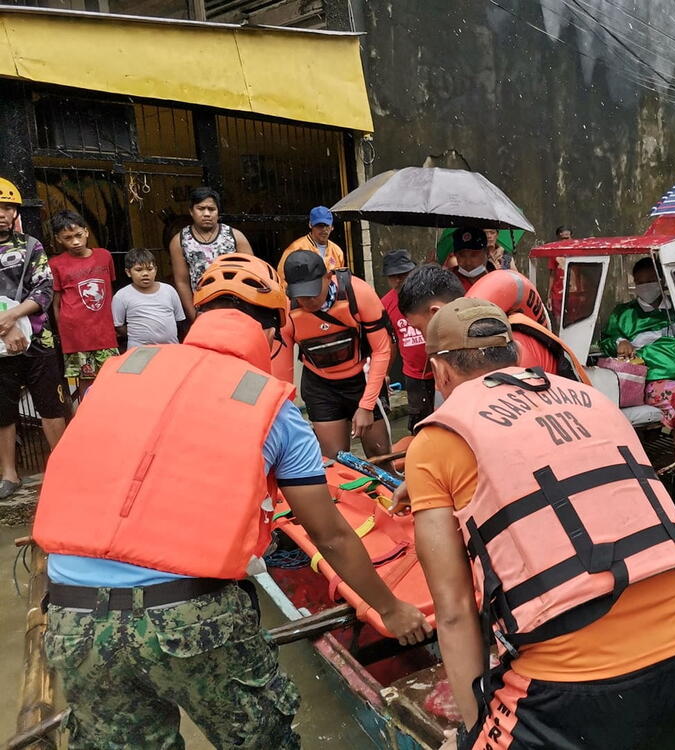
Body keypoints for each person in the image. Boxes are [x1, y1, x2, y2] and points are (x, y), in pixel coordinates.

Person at [33, 253, 431, 749]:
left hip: (70, 617)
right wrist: (391, 609)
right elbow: (328, 534)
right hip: (188, 619)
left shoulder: (116, 374)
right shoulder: (273, 407)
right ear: (271, 335)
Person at [407, 298, 675, 750]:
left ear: (440, 370)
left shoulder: (437, 441)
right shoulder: (594, 400)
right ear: (514, 354)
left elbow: (453, 612)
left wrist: (476, 732)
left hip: (571, 688)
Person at [283, 250, 393, 458]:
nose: (307, 301)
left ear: (328, 277)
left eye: (313, 292)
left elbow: (382, 350)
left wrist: (367, 405)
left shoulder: (358, 293)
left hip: (361, 378)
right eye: (301, 295)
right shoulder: (286, 310)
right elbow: (282, 375)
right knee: (336, 461)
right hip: (320, 384)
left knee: (380, 456)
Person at [398, 264, 586, 382]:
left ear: (436, 313)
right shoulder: (491, 338)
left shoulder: (507, 347)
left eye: (420, 329)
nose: (424, 341)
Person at [0, 178, 67, 499]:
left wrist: (13, 316)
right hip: (0, 346)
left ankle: (63, 466)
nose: (2, 213)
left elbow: (43, 288)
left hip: (40, 339)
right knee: (4, 410)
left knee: (51, 404)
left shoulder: (31, 245)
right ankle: (9, 474)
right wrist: (6, 325)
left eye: (8, 207)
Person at [599, 256, 675, 456]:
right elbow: (606, 341)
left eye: (650, 280)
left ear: (662, 281)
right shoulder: (624, 313)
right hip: (650, 379)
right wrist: (620, 342)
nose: (645, 286)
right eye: (640, 282)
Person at [48, 211, 119, 399]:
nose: (75, 242)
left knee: (111, 377)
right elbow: (56, 304)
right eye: (68, 238)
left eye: (78, 235)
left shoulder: (104, 256)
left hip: (104, 333)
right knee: (85, 382)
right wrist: (64, 335)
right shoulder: (56, 264)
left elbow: (109, 291)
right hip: (76, 336)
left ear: (86, 232)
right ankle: (87, 421)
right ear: (58, 239)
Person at [169, 186, 253, 320]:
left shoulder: (235, 236)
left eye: (212, 209)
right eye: (201, 209)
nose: (206, 214)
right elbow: (182, 281)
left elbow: (253, 274)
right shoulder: (180, 241)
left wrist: (249, 310)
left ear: (218, 212)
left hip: (237, 307)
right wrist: (194, 315)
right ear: (191, 211)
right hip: (203, 308)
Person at [380, 249, 433, 433]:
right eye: (393, 276)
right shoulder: (385, 304)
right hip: (413, 374)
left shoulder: (430, 293)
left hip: (440, 368)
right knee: (419, 424)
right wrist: (384, 372)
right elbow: (389, 341)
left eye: (403, 274)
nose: (398, 280)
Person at [112, 248, 186, 349]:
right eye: (139, 270)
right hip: (139, 351)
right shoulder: (121, 296)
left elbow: (179, 320)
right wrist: (138, 336)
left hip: (170, 349)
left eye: (149, 269)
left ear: (156, 269)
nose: (145, 274)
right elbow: (118, 325)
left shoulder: (169, 290)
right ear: (128, 272)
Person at [276, 205, 346, 286]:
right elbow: (282, 278)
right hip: (303, 297)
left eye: (327, 226)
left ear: (332, 227)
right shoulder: (296, 248)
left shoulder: (337, 251)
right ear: (310, 225)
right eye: (320, 225)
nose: (324, 230)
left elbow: (340, 281)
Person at [449, 227, 495, 291]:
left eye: (474, 255)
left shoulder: (498, 280)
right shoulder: (447, 282)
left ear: (487, 252)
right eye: (462, 255)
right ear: (455, 255)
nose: (468, 262)